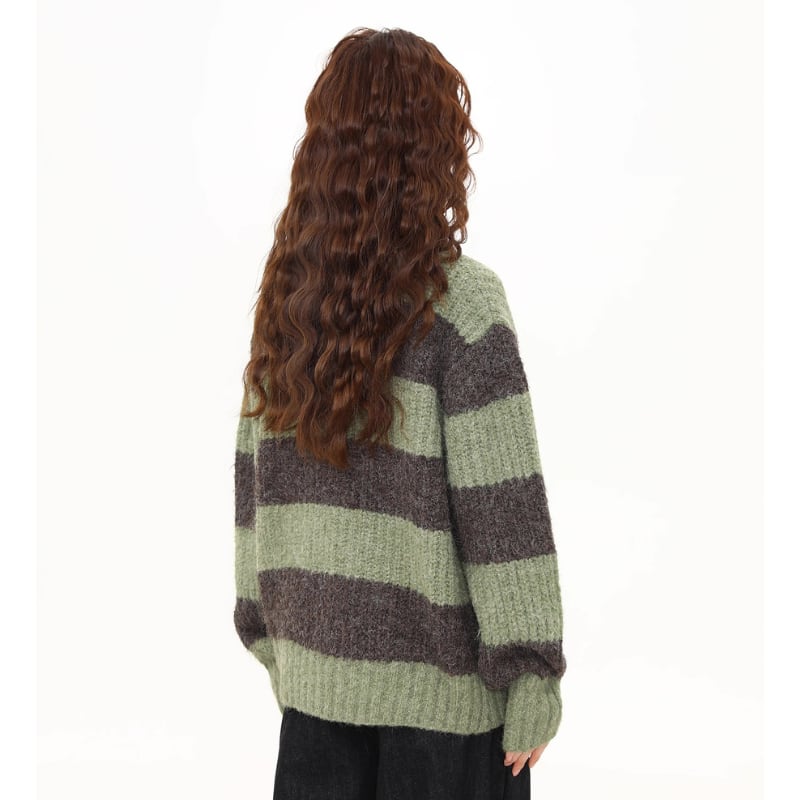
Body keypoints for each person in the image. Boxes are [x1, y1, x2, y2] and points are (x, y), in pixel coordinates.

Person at [232, 26, 567, 800]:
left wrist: (278, 644)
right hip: (445, 722)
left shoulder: (289, 303)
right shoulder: (462, 306)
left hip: (314, 704)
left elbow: (254, 500)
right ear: (433, 150)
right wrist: (531, 675)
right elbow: (502, 508)